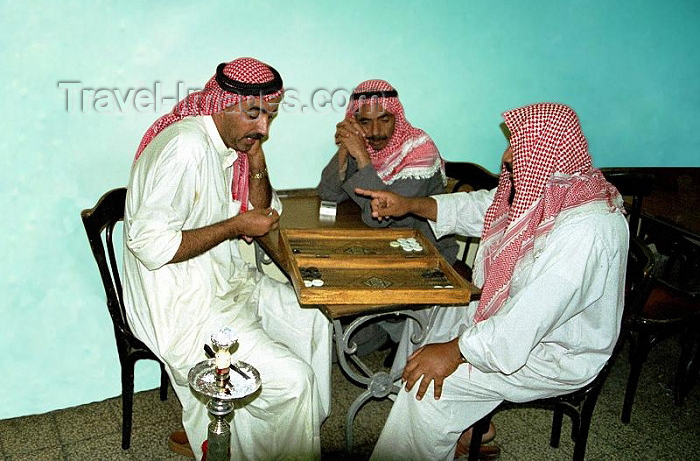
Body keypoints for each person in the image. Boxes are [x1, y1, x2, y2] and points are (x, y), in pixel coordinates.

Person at [357, 103, 629, 461]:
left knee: (430, 390)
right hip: (516, 320)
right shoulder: (551, 188)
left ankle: (430, 419)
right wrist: (409, 205)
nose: (505, 155)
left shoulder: (588, 230)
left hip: (555, 350)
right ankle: (459, 428)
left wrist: (454, 351)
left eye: (516, 145)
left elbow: (525, 323)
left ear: (546, 151)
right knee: (428, 316)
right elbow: (483, 208)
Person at [123, 57, 331, 461]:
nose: (264, 128)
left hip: (228, 282)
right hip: (182, 305)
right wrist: (235, 226)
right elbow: (150, 245)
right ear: (222, 103)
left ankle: (292, 431)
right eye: (254, 114)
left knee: (314, 317)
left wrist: (256, 160)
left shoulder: (232, 143)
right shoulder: (187, 147)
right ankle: (263, 427)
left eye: (270, 115)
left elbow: (267, 211)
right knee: (294, 382)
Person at [318, 79, 458, 357]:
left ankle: (391, 327)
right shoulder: (365, 146)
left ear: (398, 116)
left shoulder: (419, 150)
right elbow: (328, 193)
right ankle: (384, 328)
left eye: (384, 120)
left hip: (425, 252)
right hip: (386, 243)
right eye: (365, 122)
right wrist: (346, 151)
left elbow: (380, 215)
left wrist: (363, 158)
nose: (375, 132)